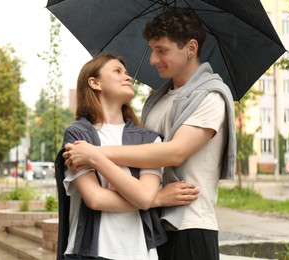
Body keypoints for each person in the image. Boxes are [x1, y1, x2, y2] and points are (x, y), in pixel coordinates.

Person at [63, 8, 236, 260]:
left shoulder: (210, 95)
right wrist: (154, 199)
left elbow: (175, 152)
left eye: (161, 50)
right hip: (155, 226)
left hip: (190, 222)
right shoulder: (158, 100)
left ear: (190, 48)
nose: (153, 60)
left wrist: (94, 154)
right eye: (152, 50)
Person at [55, 53, 197, 260]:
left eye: (127, 72)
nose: (128, 77)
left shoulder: (148, 139)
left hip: (139, 252)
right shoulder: (77, 135)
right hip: (89, 253)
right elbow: (95, 198)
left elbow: (144, 196)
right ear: (95, 83)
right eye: (117, 71)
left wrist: (94, 157)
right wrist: (157, 199)